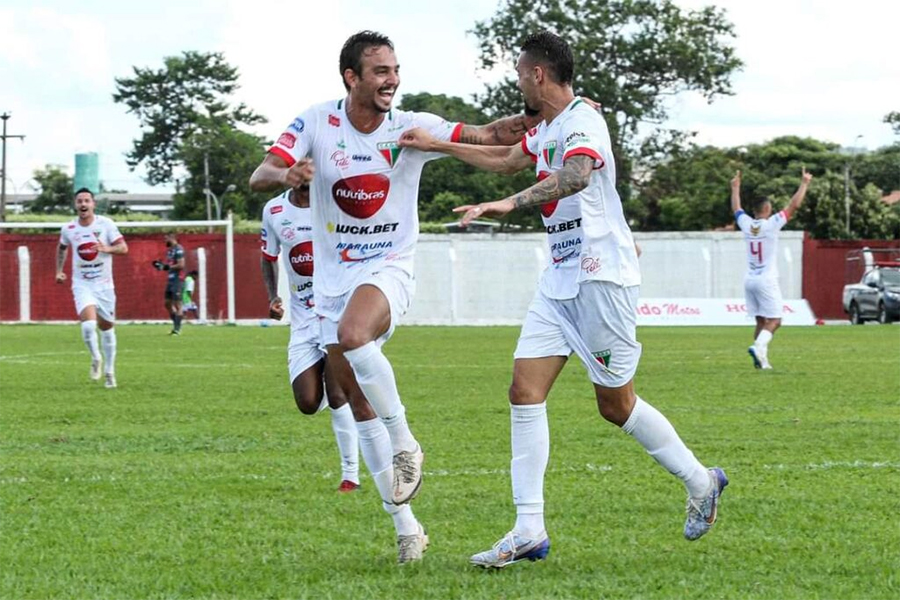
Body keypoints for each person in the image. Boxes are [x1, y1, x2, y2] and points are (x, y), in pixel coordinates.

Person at [399, 30, 727, 568]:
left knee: (615, 406)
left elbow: (575, 176)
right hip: (559, 280)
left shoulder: (583, 122)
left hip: (602, 280)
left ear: (537, 75)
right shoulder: (548, 125)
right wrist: (436, 146)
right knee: (523, 392)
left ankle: (701, 481)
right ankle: (529, 528)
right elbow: (508, 157)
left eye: (519, 75)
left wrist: (510, 203)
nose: (518, 84)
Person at [249, 30, 543, 563]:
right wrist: (286, 172)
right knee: (357, 404)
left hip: (389, 269)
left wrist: (551, 113)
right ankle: (407, 526)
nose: (392, 80)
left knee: (354, 334)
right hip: (332, 285)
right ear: (352, 78)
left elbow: (487, 133)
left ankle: (407, 442)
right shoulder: (316, 121)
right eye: (381, 71)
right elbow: (261, 173)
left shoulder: (412, 126)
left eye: (395, 70)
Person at [260, 183, 361, 492]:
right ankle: (350, 386)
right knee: (307, 402)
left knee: (337, 394)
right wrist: (273, 298)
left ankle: (351, 476)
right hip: (302, 321)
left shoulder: (335, 202)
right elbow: (268, 257)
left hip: (335, 312)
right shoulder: (274, 210)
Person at [731, 168, 812, 369]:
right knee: (775, 319)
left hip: (749, 279)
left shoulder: (747, 224)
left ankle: (762, 360)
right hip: (766, 279)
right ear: (767, 209)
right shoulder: (772, 224)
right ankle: (758, 347)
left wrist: (735, 188)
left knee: (760, 320)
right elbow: (794, 205)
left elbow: (736, 209)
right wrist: (804, 184)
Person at [55, 187, 128, 389]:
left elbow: (123, 248)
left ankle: (110, 372)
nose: (83, 204)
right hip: (82, 283)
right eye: (80, 201)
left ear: (93, 204)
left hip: (104, 285)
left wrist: (107, 248)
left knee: (106, 328)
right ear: (75, 204)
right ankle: (96, 358)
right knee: (88, 325)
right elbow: (61, 247)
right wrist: (59, 270)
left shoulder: (106, 224)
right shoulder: (69, 229)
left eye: (87, 200)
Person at [152, 232, 185, 335]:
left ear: (172, 238)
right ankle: (176, 325)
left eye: (166, 239)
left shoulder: (179, 249)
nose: (164, 241)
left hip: (177, 280)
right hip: (170, 280)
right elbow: (170, 265)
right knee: (167, 303)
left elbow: (181, 265)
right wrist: (161, 266)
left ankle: (177, 329)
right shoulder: (170, 251)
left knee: (177, 304)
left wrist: (167, 267)